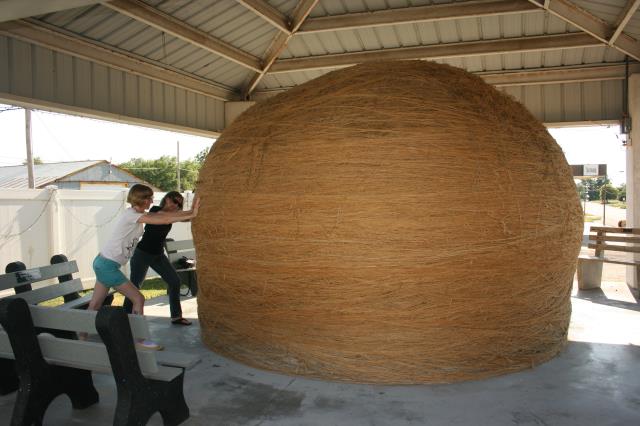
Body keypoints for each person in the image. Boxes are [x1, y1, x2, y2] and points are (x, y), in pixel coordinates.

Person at [86, 184, 199, 349]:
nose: (152, 201)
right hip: (108, 266)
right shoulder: (132, 215)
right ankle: (139, 340)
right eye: (149, 198)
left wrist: (192, 213)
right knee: (138, 298)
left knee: (95, 305)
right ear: (142, 199)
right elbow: (163, 218)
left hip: (103, 262)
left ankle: (81, 335)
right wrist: (192, 212)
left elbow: (170, 216)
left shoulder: (136, 214)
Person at [124, 191, 194, 325]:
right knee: (134, 287)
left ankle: (176, 316)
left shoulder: (173, 216)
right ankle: (125, 317)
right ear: (167, 199)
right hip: (142, 254)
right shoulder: (155, 210)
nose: (176, 205)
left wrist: (196, 213)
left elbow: (184, 218)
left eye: (179, 203)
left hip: (158, 255)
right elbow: (169, 216)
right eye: (174, 201)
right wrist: (185, 214)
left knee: (174, 281)